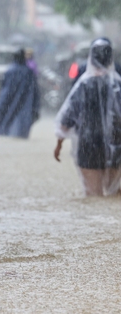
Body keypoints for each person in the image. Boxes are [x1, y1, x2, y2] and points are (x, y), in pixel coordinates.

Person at [54, 38, 121, 196]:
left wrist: (59, 144)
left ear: (91, 57)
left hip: (88, 145)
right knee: (116, 193)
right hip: (116, 145)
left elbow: (67, 117)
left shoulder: (83, 85)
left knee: (93, 195)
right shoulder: (118, 86)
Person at [0, 49, 40, 139]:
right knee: (21, 123)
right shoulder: (28, 72)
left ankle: (2, 133)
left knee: (5, 116)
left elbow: (4, 87)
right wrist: (36, 105)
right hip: (25, 101)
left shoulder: (11, 70)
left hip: (10, 99)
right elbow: (35, 89)